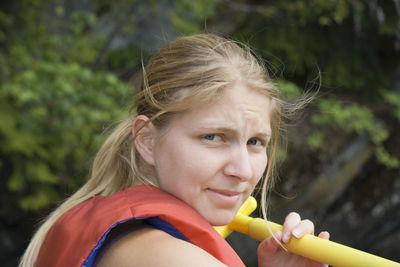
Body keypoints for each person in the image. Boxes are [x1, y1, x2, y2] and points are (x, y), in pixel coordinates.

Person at [19, 33, 329, 267]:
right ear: (147, 140)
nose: (243, 171)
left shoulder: (100, 224)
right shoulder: (170, 257)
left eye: (255, 143)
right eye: (213, 137)